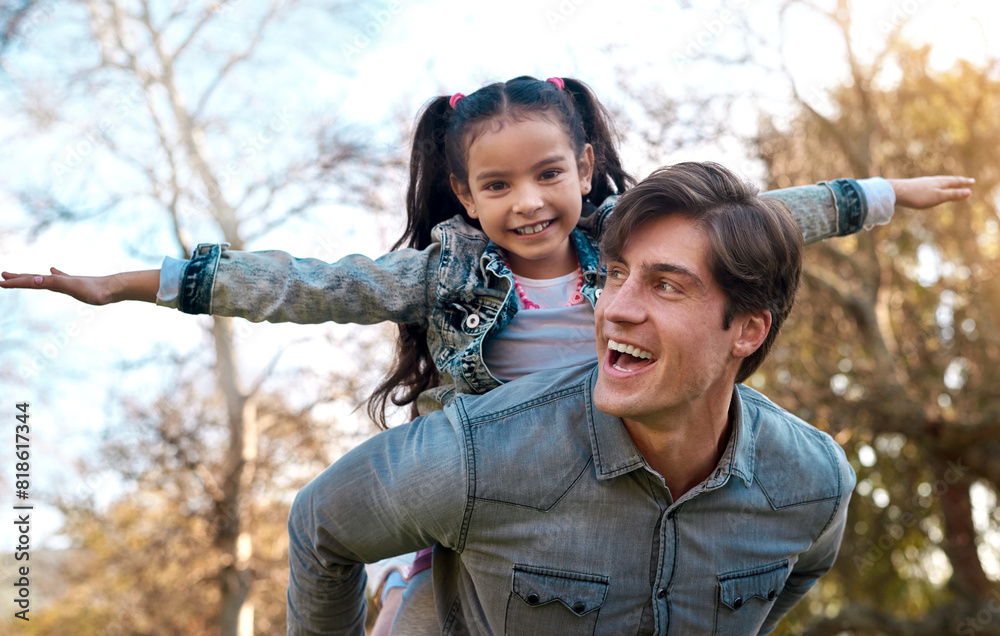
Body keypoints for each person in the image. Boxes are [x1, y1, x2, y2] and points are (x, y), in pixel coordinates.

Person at [0, 76, 972, 630]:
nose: (528, 203)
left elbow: (774, 217)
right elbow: (301, 283)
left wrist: (889, 193)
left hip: (619, 459)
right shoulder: (442, 274)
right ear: (466, 197)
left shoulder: (626, 243)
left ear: (584, 169)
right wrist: (129, 283)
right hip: (485, 483)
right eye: (497, 186)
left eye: (549, 174)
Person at [286, 161, 853, 635]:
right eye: (614, 274)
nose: (614, 308)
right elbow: (321, 526)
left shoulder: (814, 481)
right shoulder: (479, 454)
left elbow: (800, 571)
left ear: (748, 331)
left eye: (666, 285)